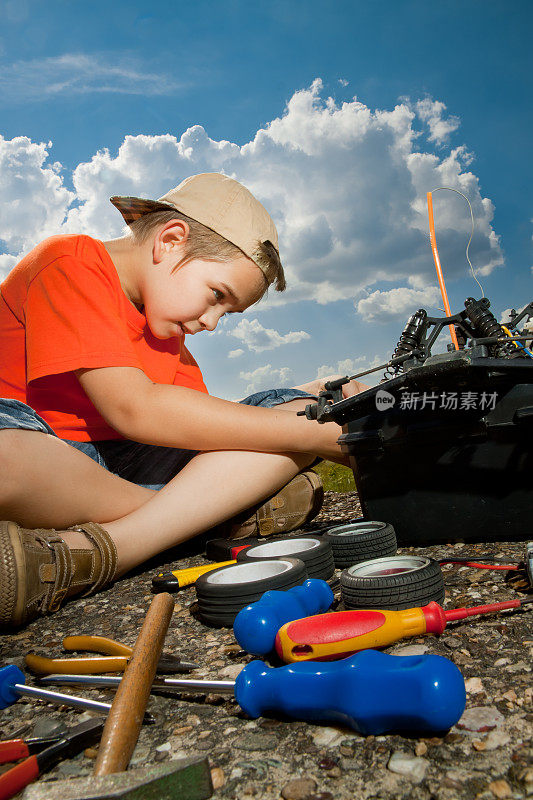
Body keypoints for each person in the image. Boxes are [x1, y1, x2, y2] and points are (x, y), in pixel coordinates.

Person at [0, 173, 367, 628]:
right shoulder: (69, 261)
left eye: (226, 313)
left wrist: (312, 405)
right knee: (6, 460)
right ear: (171, 241)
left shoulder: (166, 331)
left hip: (110, 469)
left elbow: (212, 439)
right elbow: (135, 408)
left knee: (292, 410)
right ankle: (207, 517)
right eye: (217, 295)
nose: (212, 322)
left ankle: (123, 541)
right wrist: (310, 432)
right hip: (37, 445)